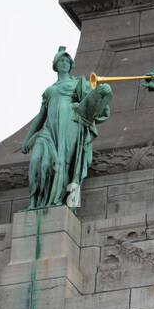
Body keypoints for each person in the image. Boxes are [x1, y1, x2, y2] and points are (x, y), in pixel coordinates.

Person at [22, 47, 112, 209]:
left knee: (62, 161)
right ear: (55, 65)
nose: (64, 63)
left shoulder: (78, 83)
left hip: (71, 124)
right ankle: (36, 201)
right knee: (37, 161)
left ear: (71, 65)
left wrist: (101, 92)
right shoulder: (49, 90)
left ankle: (59, 200)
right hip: (49, 129)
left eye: (66, 61)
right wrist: (28, 137)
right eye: (61, 60)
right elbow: (41, 115)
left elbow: (92, 104)